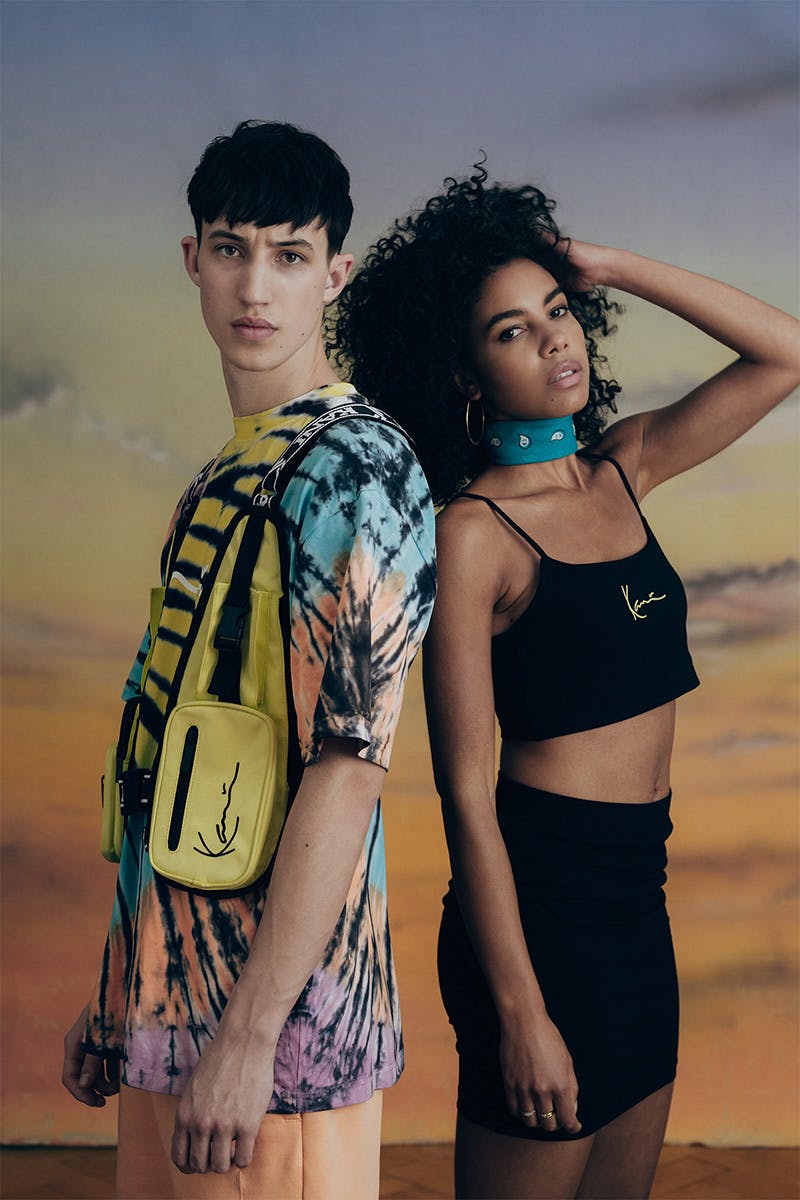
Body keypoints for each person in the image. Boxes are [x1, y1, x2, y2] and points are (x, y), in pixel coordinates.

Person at [333, 166, 799, 1200]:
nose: (554, 340)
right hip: (538, 919)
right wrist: (519, 1013)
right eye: (512, 330)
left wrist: (610, 265)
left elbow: (786, 351)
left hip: (639, 900)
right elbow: (463, 791)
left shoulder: (623, 467)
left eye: (558, 310)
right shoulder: (473, 536)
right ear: (463, 373)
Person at [61, 120, 436, 1200]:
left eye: (289, 255)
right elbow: (173, 751)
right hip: (174, 1006)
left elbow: (348, 768)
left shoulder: (355, 471)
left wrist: (250, 1035)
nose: (254, 287)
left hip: (272, 1046)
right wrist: (122, 989)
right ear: (194, 260)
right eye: (230, 249)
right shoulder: (231, 473)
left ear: (335, 276)